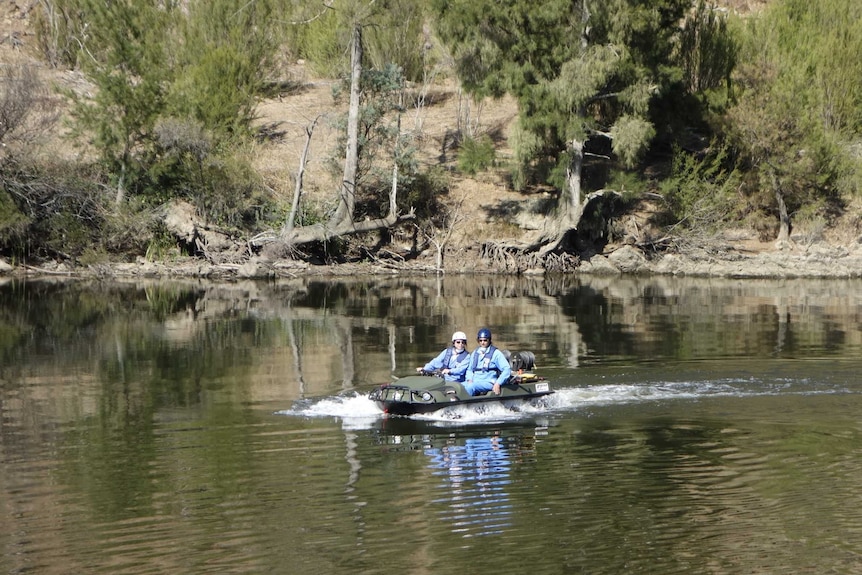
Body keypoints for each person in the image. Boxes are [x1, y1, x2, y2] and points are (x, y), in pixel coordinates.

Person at [464, 328, 511, 396]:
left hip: (488, 381)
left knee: (471, 387)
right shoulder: (475, 353)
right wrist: (469, 379)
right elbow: (469, 369)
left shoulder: (496, 353)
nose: (482, 343)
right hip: (475, 380)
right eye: (480, 340)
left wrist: (498, 383)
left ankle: (464, 405)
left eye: (485, 340)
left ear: (489, 340)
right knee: (459, 386)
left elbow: (506, 369)